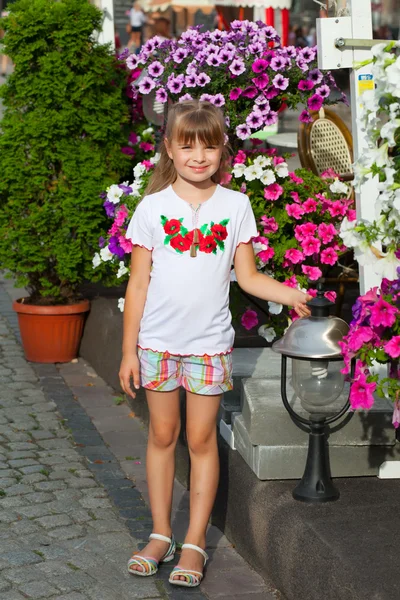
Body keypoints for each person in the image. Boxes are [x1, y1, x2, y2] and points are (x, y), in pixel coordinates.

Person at [120, 100, 311, 588]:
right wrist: (127, 351)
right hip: (157, 345)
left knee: (201, 441)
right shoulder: (153, 207)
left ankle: (195, 542)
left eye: (209, 144)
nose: (198, 155)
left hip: (208, 347)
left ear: (223, 148)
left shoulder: (236, 206)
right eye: (187, 145)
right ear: (168, 148)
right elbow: (137, 285)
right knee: (163, 436)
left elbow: (247, 277)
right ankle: (161, 533)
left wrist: (289, 293)